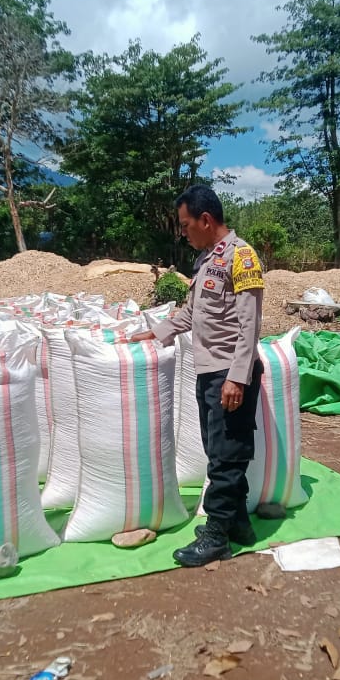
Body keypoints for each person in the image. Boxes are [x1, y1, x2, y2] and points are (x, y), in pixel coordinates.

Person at [131, 184, 265, 566]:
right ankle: (238, 523)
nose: (183, 232)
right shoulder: (206, 260)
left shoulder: (241, 257)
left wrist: (237, 377)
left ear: (205, 220)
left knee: (225, 457)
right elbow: (191, 313)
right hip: (209, 372)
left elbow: (250, 325)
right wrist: (156, 332)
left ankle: (217, 536)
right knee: (219, 450)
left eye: (186, 225)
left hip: (230, 373)